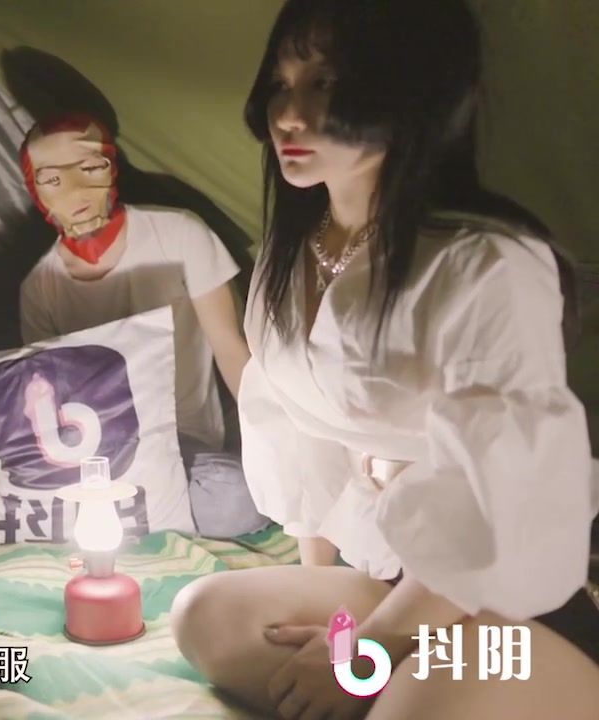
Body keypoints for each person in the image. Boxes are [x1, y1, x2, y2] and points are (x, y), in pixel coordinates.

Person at [169, 1, 599, 718]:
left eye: (325, 84)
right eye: (280, 85)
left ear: (410, 91)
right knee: (206, 618)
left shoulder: (487, 263)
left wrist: (363, 651)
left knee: (415, 702)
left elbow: (506, 504)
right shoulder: (289, 253)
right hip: (389, 583)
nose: (288, 115)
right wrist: (323, 607)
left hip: (505, 609)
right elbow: (292, 432)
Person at [0, 112, 267, 539]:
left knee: (236, 499)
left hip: (180, 443)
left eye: (88, 169)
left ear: (110, 166)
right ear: (34, 187)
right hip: (89, 452)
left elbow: (231, 349)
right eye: (52, 179)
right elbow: (46, 396)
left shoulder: (180, 234)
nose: (75, 191)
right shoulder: (40, 286)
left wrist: (271, 443)